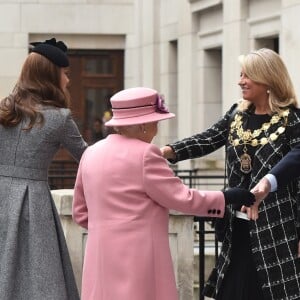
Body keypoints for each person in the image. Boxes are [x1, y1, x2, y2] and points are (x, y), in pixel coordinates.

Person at [72, 87, 255, 300]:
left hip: (99, 258)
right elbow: (182, 198)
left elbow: (80, 212)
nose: (157, 129)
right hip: (140, 258)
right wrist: (227, 197)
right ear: (142, 125)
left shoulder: (91, 153)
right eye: (155, 122)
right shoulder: (145, 154)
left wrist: (108, 229)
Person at [161, 48, 300, 300]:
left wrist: (267, 183)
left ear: (268, 79)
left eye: (248, 75)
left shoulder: (292, 121)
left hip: (277, 232)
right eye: (241, 74)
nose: (240, 81)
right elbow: (208, 138)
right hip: (236, 228)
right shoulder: (236, 115)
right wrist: (167, 151)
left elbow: (296, 158)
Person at [0, 38, 87, 300]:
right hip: (32, 202)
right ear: (51, 75)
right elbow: (89, 157)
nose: (68, 80)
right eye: (65, 73)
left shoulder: (4, 109)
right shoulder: (60, 118)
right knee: (40, 278)